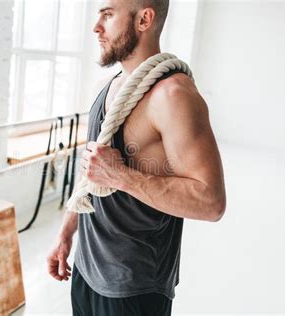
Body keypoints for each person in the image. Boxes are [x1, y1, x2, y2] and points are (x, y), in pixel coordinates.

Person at [46, 0, 226, 315]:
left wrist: (120, 176)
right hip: (87, 271)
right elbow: (92, 171)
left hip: (134, 287)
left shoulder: (174, 97)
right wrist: (66, 233)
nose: (96, 27)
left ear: (144, 19)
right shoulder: (108, 86)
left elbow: (211, 202)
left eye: (108, 14)